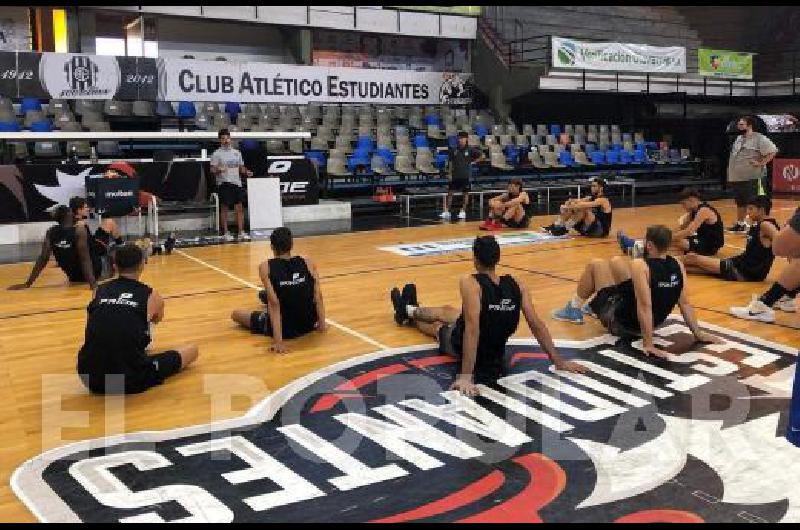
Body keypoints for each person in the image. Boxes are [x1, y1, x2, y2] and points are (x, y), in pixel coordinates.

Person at [389, 235, 587, 396]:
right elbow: (536, 323)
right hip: (494, 341)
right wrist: (558, 360)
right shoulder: (517, 283)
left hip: (472, 347)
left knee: (438, 327)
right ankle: (409, 308)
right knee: (451, 311)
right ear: (497, 258)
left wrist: (466, 376)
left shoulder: (470, 283)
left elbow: (472, 329)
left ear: (475, 259)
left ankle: (407, 315)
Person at [551, 225, 721, 357]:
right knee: (615, 263)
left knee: (595, 265)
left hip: (624, 324)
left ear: (649, 245)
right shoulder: (678, 264)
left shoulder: (641, 265)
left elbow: (644, 306)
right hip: (651, 323)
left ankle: (574, 308)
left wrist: (648, 343)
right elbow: (684, 303)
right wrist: (697, 333)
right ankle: (592, 306)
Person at [77, 243, 198, 394]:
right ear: (142, 265)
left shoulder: (99, 290)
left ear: (115, 266)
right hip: (128, 380)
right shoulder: (152, 295)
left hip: (89, 377)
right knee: (192, 350)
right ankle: (135, 359)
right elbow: (156, 319)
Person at [231, 227, 326, 353]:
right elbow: (318, 295)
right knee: (263, 295)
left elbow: (274, 304)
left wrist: (278, 342)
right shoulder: (308, 262)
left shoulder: (265, 267)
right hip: (308, 324)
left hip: (285, 329)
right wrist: (322, 324)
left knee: (236, 314)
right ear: (291, 244)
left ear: (272, 247)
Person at [7, 203, 112, 292]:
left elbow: (43, 258)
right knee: (108, 252)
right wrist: (93, 284)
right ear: (69, 215)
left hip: (73, 277)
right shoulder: (79, 230)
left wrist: (28, 283)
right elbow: (84, 259)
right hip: (92, 274)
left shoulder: (51, 232)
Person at [681, 196, 779, 282]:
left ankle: (669, 263)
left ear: (761, 210)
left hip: (745, 271)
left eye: (751, 209)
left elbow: (779, 239)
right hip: (742, 265)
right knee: (691, 268)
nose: (747, 212)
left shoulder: (766, 225)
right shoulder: (759, 224)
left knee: (693, 257)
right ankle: (676, 266)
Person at [617, 188, 723, 258]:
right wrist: (663, 234)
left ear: (691, 200)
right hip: (701, 241)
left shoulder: (704, 210)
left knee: (676, 242)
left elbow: (689, 231)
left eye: (683, 204)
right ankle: (637, 248)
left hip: (710, 245)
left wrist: (666, 238)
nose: (683, 207)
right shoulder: (693, 212)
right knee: (670, 242)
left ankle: (636, 246)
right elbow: (681, 228)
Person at [726, 115, 778, 233]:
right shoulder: (738, 139)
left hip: (753, 178)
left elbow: (773, 151)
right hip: (737, 178)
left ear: (749, 126)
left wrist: (761, 162)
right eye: (738, 124)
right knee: (740, 202)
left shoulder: (759, 138)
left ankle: (757, 226)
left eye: (741, 124)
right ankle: (740, 224)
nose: (738, 127)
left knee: (755, 202)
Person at [211, 128, 254, 242]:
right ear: (220, 140)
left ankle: (241, 232)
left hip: (237, 183)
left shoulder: (237, 153)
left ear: (230, 139)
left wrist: (246, 171)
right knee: (224, 208)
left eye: (227, 138)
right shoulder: (216, 154)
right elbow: (212, 169)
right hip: (224, 183)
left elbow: (241, 167)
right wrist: (219, 169)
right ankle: (225, 233)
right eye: (223, 139)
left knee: (239, 208)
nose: (226, 140)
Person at [542, 177, 612, 237]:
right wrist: (569, 202)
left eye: (594, 186)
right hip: (588, 227)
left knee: (583, 209)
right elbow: (578, 201)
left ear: (601, 188)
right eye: (591, 186)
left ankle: (564, 229)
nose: (591, 188)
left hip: (600, 231)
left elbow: (582, 205)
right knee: (573, 207)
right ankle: (556, 226)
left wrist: (567, 207)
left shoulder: (603, 200)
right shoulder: (591, 197)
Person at [441, 131, 482, 221]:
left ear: (466, 139)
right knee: (450, 193)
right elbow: (450, 162)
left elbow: (481, 156)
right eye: (459, 138)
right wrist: (450, 173)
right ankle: (447, 211)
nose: (461, 140)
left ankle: (463, 211)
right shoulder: (454, 149)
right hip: (455, 175)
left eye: (462, 138)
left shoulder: (471, 150)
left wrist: (473, 162)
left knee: (465, 194)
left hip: (465, 175)